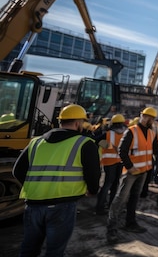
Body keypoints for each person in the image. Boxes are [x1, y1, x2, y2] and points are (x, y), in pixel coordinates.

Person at [12, 104, 100, 256]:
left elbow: (17, 171)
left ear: (60, 121)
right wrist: (92, 190)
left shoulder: (36, 142)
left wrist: (36, 186)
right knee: (55, 252)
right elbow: (93, 174)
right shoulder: (84, 143)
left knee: (28, 250)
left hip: (33, 204)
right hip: (62, 206)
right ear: (78, 123)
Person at [106, 107, 158, 243]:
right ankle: (111, 229)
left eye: (151, 118)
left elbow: (155, 150)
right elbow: (122, 151)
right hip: (131, 172)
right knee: (120, 199)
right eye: (146, 116)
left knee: (134, 198)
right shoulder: (131, 131)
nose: (149, 119)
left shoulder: (152, 134)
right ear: (141, 116)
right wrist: (129, 167)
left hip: (143, 171)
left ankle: (130, 223)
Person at [94, 114, 127, 215]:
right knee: (115, 185)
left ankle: (99, 207)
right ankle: (111, 206)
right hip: (120, 162)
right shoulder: (126, 133)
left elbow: (96, 140)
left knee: (107, 184)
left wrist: (107, 146)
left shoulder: (108, 134)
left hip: (109, 162)